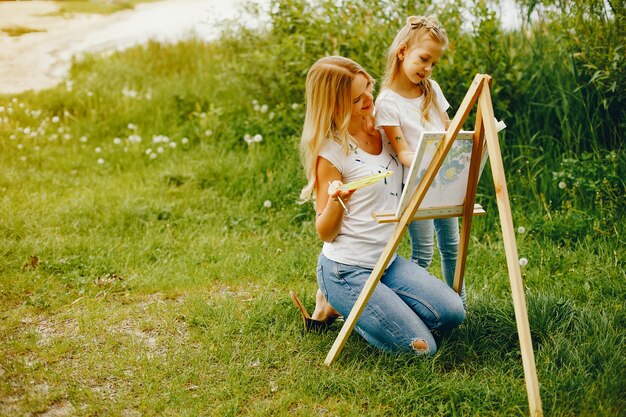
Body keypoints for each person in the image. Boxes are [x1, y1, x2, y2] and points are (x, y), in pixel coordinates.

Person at [292, 55, 465, 355]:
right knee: (422, 348)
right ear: (333, 106)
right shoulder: (331, 151)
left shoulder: (385, 132)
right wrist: (336, 202)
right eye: (356, 98)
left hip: (388, 262)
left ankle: (360, 305)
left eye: (368, 89)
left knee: (452, 313)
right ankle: (340, 302)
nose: (368, 100)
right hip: (346, 269)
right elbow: (325, 232)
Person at [375, 15, 466, 306]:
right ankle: (415, 303)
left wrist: (466, 139)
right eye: (424, 59)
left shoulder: (432, 90)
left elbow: (448, 128)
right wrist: (430, 158)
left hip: (445, 181)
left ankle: (459, 303)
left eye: (433, 63)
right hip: (416, 185)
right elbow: (403, 153)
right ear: (402, 52)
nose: (427, 68)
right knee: (423, 253)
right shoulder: (387, 102)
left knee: (452, 246)